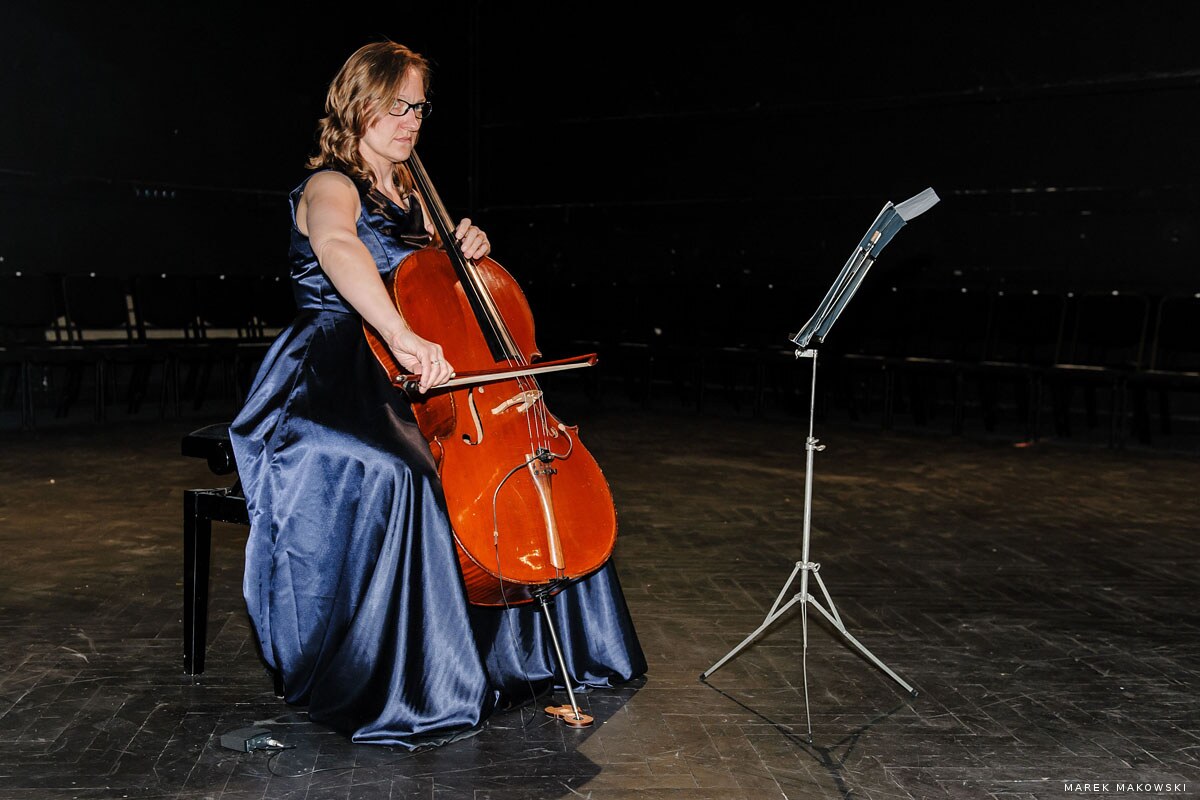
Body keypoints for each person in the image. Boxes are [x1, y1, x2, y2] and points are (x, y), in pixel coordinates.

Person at [228, 39, 645, 749]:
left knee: (528, 465)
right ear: (357, 104)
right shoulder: (332, 184)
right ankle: (408, 678)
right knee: (409, 475)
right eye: (396, 106)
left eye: (419, 106)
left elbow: (443, 298)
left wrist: (461, 248)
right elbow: (341, 250)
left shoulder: (417, 195)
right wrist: (398, 333)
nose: (411, 121)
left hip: (417, 375)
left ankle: (531, 656)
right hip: (330, 368)